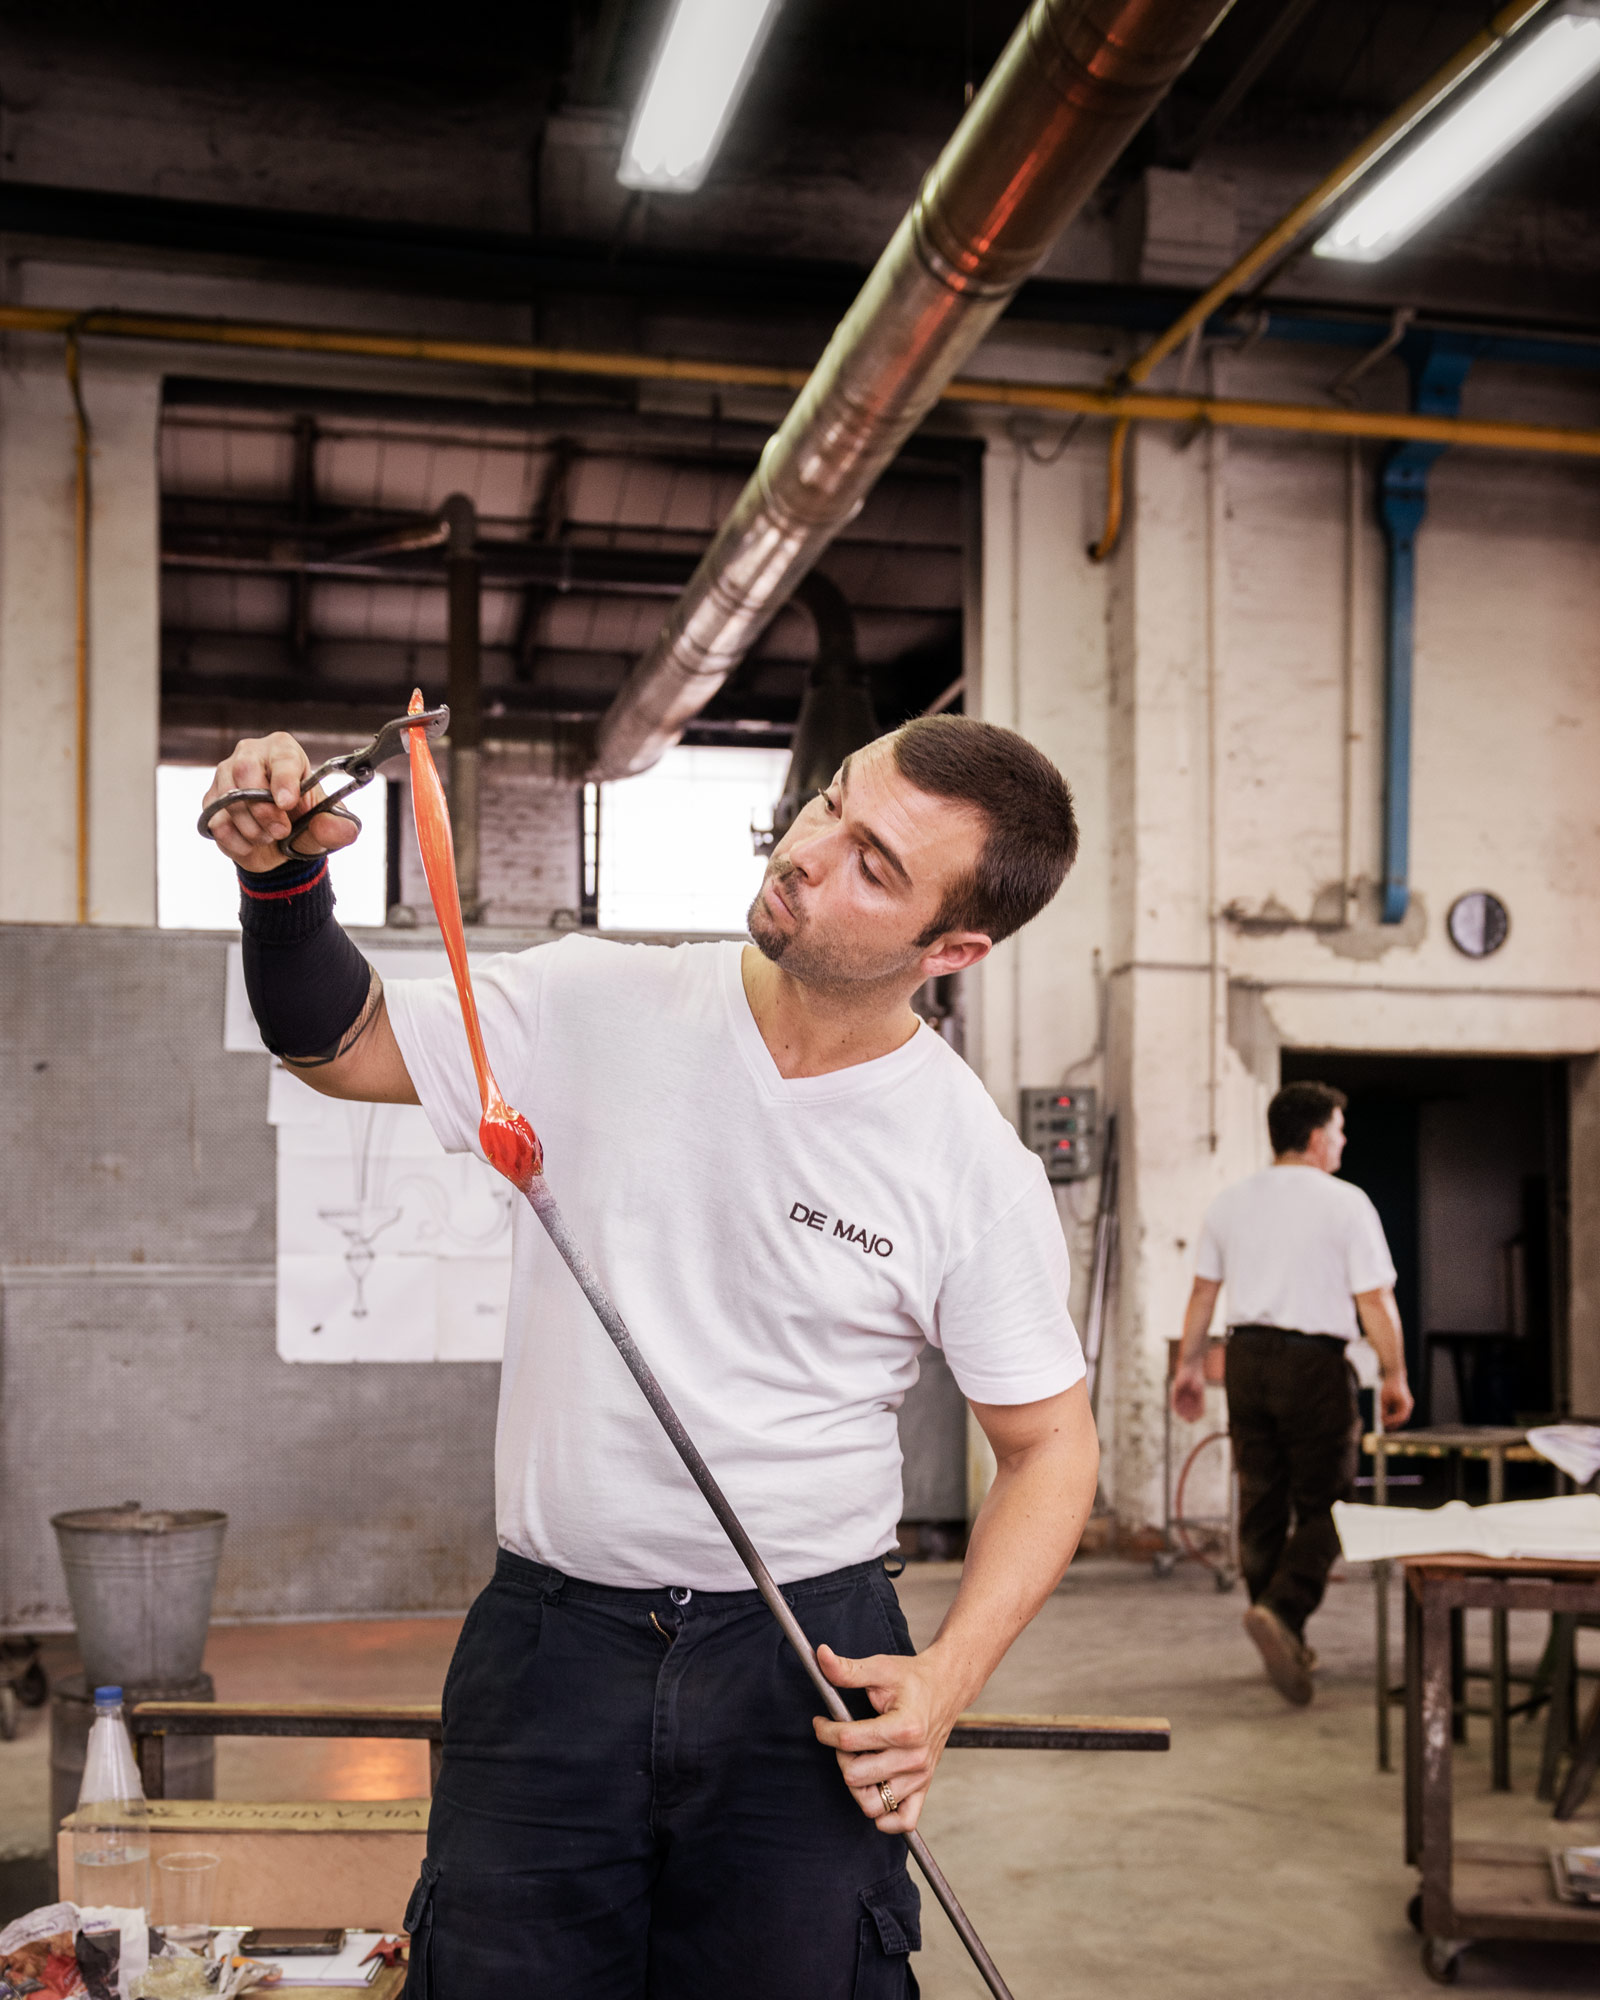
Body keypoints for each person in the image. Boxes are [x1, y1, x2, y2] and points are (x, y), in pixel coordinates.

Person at [203, 714, 1098, 1999]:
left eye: (873, 866)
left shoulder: (968, 1165)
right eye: (831, 803)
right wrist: (283, 881)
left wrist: (945, 1679)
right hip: (551, 1643)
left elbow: (1050, 1444)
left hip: (806, 1659)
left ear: (950, 949)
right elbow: (338, 1045)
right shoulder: (595, 1000)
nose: (808, 852)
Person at [1170, 1081, 1413, 1706]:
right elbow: (1374, 1300)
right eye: (1339, 1130)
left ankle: (1280, 1626)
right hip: (1314, 1365)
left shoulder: (1230, 1202)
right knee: (1331, 1504)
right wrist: (1394, 1374)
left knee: (1261, 1501)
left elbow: (1202, 1293)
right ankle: (1282, 1609)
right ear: (1315, 1136)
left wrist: (1190, 1368)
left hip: (1246, 1359)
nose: (1343, 1142)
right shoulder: (1347, 1203)